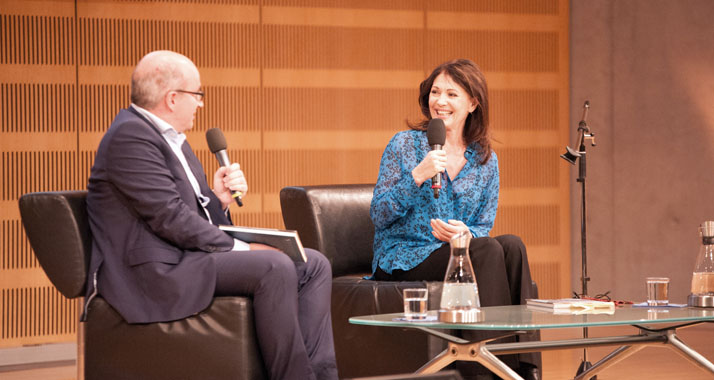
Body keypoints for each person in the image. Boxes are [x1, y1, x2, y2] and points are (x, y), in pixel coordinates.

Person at [84, 50, 337, 380]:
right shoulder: (130, 137)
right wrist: (243, 248)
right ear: (172, 98)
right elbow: (170, 218)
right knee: (272, 264)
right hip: (157, 270)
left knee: (313, 263)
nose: (200, 103)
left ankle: (321, 375)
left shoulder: (174, 141)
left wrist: (218, 201)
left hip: (184, 255)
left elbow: (190, 216)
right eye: (197, 94)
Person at [370, 59, 540, 380]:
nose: (441, 102)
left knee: (512, 246)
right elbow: (379, 214)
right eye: (435, 92)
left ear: (473, 103)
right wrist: (417, 175)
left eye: (452, 94)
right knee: (486, 251)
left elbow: (483, 224)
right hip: (406, 254)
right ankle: (483, 372)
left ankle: (524, 368)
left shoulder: (486, 159)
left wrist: (466, 232)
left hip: (456, 250)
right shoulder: (404, 145)